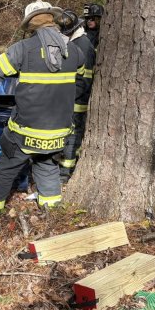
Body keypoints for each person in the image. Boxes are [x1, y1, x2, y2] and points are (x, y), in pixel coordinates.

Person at [0, 0, 84, 213]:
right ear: (53, 19)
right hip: (58, 131)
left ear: (29, 24)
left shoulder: (23, 49)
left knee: (6, 166)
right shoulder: (72, 50)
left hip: (26, 131)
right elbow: (80, 76)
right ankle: (52, 209)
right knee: (46, 164)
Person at [56, 10, 95, 181]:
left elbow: (84, 80)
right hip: (68, 99)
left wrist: (66, 98)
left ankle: (66, 172)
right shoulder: (74, 42)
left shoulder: (83, 45)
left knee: (72, 137)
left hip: (76, 102)